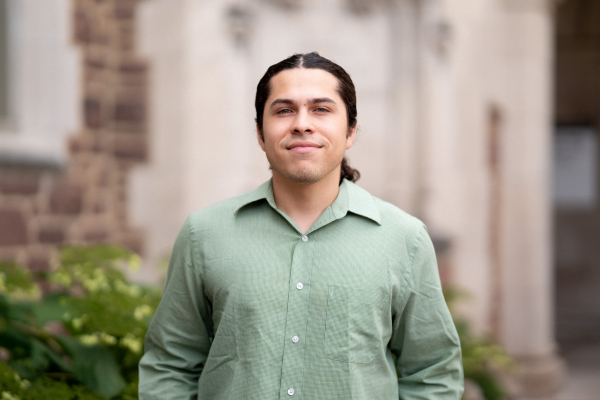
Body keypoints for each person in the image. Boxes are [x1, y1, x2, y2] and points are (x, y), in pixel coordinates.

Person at [139, 52, 463, 399]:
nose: (302, 124)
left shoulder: (404, 239)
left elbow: (433, 373)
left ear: (350, 130)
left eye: (321, 109)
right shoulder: (204, 233)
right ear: (261, 134)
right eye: (284, 110)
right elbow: (170, 364)